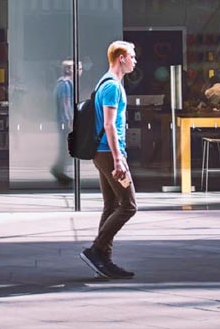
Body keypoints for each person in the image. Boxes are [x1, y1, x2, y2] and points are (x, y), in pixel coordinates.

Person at [80, 41, 138, 280]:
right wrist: (118, 159)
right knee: (129, 205)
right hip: (108, 154)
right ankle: (96, 250)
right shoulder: (113, 86)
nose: (135, 61)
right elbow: (109, 124)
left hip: (102, 153)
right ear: (121, 58)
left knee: (111, 205)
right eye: (132, 56)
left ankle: (103, 260)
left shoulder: (104, 82)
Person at [50, 59, 80, 186]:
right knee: (66, 147)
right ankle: (59, 170)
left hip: (64, 120)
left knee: (66, 147)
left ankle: (60, 170)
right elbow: (65, 104)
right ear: (68, 70)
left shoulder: (65, 84)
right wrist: (70, 121)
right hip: (65, 121)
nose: (80, 71)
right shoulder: (65, 84)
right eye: (77, 68)